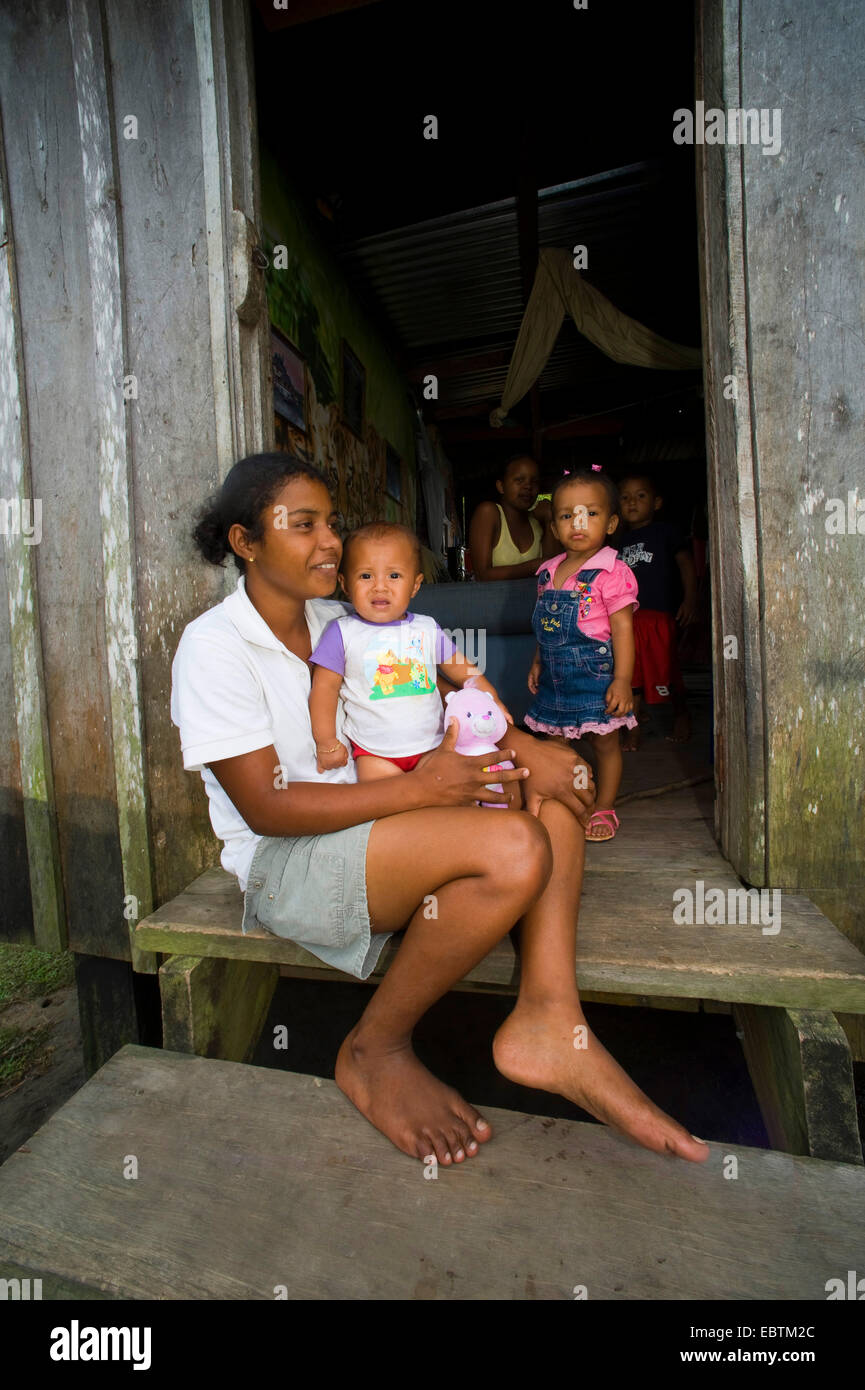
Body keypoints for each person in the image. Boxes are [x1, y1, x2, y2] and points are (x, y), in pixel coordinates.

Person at [170, 451, 708, 1168]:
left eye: (332, 524)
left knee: (547, 792)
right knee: (513, 847)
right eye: (304, 526)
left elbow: (448, 681)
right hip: (291, 858)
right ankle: (374, 1047)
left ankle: (549, 1017)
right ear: (245, 542)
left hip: (380, 821)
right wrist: (427, 789)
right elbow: (267, 810)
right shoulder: (214, 647)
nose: (331, 543)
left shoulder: (342, 612)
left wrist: (521, 741)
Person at [308, 520, 510, 781]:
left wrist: (490, 699)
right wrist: (326, 742)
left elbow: (464, 671)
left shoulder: (426, 628)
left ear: (415, 585)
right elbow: (324, 689)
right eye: (366, 576)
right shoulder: (341, 632)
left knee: (450, 794)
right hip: (374, 753)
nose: (380, 586)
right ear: (345, 585)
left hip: (435, 746)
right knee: (385, 800)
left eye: (394, 575)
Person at [524, 466, 638, 843]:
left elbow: (623, 630)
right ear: (554, 528)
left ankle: (604, 805)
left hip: (595, 677)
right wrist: (539, 659)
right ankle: (569, 798)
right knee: (556, 745)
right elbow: (547, 627)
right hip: (556, 679)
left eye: (591, 513)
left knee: (605, 744)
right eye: (566, 514)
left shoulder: (612, 572)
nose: (579, 522)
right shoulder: (546, 572)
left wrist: (622, 681)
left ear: (610, 523)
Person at [617, 474, 698, 747]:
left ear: (657, 502)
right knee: (632, 673)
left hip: (660, 615)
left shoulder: (666, 532)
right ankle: (634, 727)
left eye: (640, 496)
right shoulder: (619, 542)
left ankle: (681, 714)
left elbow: (686, 564)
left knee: (667, 669)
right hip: (629, 619)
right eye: (625, 497)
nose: (632, 503)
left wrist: (691, 599)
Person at [468, 453, 552, 580]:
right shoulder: (489, 512)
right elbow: (482, 575)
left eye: (534, 482)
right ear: (501, 486)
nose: (528, 486)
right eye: (519, 480)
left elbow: (551, 574)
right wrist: (535, 566)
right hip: (490, 599)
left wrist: (550, 518)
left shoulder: (537, 522)